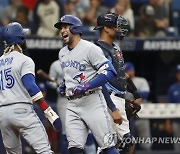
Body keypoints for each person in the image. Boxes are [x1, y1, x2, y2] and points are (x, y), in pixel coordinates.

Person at [54, 15, 119, 154]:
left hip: (92, 101)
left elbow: (110, 72)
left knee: (108, 146)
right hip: (72, 104)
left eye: (65, 27)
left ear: (75, 28)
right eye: (61, 28)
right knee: (74, 149)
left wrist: (87, 85)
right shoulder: (62, 53)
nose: (62, 31)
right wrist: (65, 84)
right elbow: (73, 74)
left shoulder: (90, 48)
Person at [0, 22, 61, 153]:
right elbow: (31, 87)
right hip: (21, 110)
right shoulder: (24, 60)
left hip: (3, 113)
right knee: (44, 151)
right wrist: (49, 112)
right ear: (21, 39)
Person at [93, 13, 142, 154]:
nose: (119, 29)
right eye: (116, 26)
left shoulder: (115, 47)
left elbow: (121, 73)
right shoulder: (97, 50)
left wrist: (135, 93)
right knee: (110, 145)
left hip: (119, 97)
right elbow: (99, 79)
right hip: (107, 98)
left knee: (124, 144)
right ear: (106, 29)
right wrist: (112, 106)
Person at [124, 62, 151, 151]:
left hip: (142, 114)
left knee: (145, 140)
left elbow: (145, 95)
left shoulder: (141, 80)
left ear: (133, 70)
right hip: (128, 115)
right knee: (129, 141)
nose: (128, 73)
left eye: (129, 70)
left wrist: (134, 93)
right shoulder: (121, 82)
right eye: (126, 71)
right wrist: (135, 94)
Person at [167, 64, 180, 152]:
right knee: (177, 143)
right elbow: (168, 106)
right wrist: (168, 122)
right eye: (178, 73)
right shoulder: (172, 88)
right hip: (176, 120)